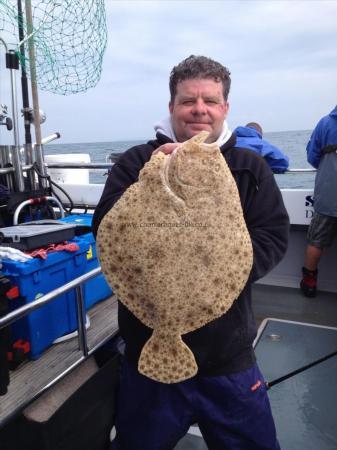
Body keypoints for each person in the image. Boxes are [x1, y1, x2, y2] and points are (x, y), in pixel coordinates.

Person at [92, 55, 289, 450]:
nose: (200, 109)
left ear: (225, 108)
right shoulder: (136, 162)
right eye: (188, 100)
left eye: (210, 101)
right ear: (172, 107)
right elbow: (107, 229)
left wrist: (219, 275)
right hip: (146, 348)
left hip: (227, 356)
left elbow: (273, 234)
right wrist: (151, 178)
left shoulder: (248, 166)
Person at [300, 105, 337, 298]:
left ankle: (309, 284)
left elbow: (312, 156)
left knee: (316, 241)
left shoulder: (325, 123)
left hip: (328, 195)